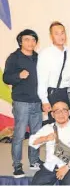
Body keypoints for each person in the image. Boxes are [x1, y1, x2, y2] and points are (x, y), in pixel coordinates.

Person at [3, 29, 43, 177]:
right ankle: (17, 165)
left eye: (33, 40)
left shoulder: (38, 58)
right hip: (21, 102)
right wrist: (18, 75)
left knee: (36, 134)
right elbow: (6, 78)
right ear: (20, 41)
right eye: (27, 39)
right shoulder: (14, 58)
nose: (30, 42)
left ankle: (34, 160)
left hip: (36, 101)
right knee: (19, 135)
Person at [29, 101, 70, 185]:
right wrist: (45, 138)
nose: (61, 114)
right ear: (52, 114)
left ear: (69, 112)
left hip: (69, 165)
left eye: (64, 110)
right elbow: (31, 141)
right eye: (57, 111)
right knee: (36, 183)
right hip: (50, 166)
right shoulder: (48, 128)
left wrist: (67, 167)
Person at [37, 21, 70, 123]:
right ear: (51, 36)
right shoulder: (45, 53)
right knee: (56, 124)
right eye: (56, 33)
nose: (60, 36)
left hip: (68, 92)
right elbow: (42, 79)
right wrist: (45, 101)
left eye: (62, 33)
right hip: (54, 93)